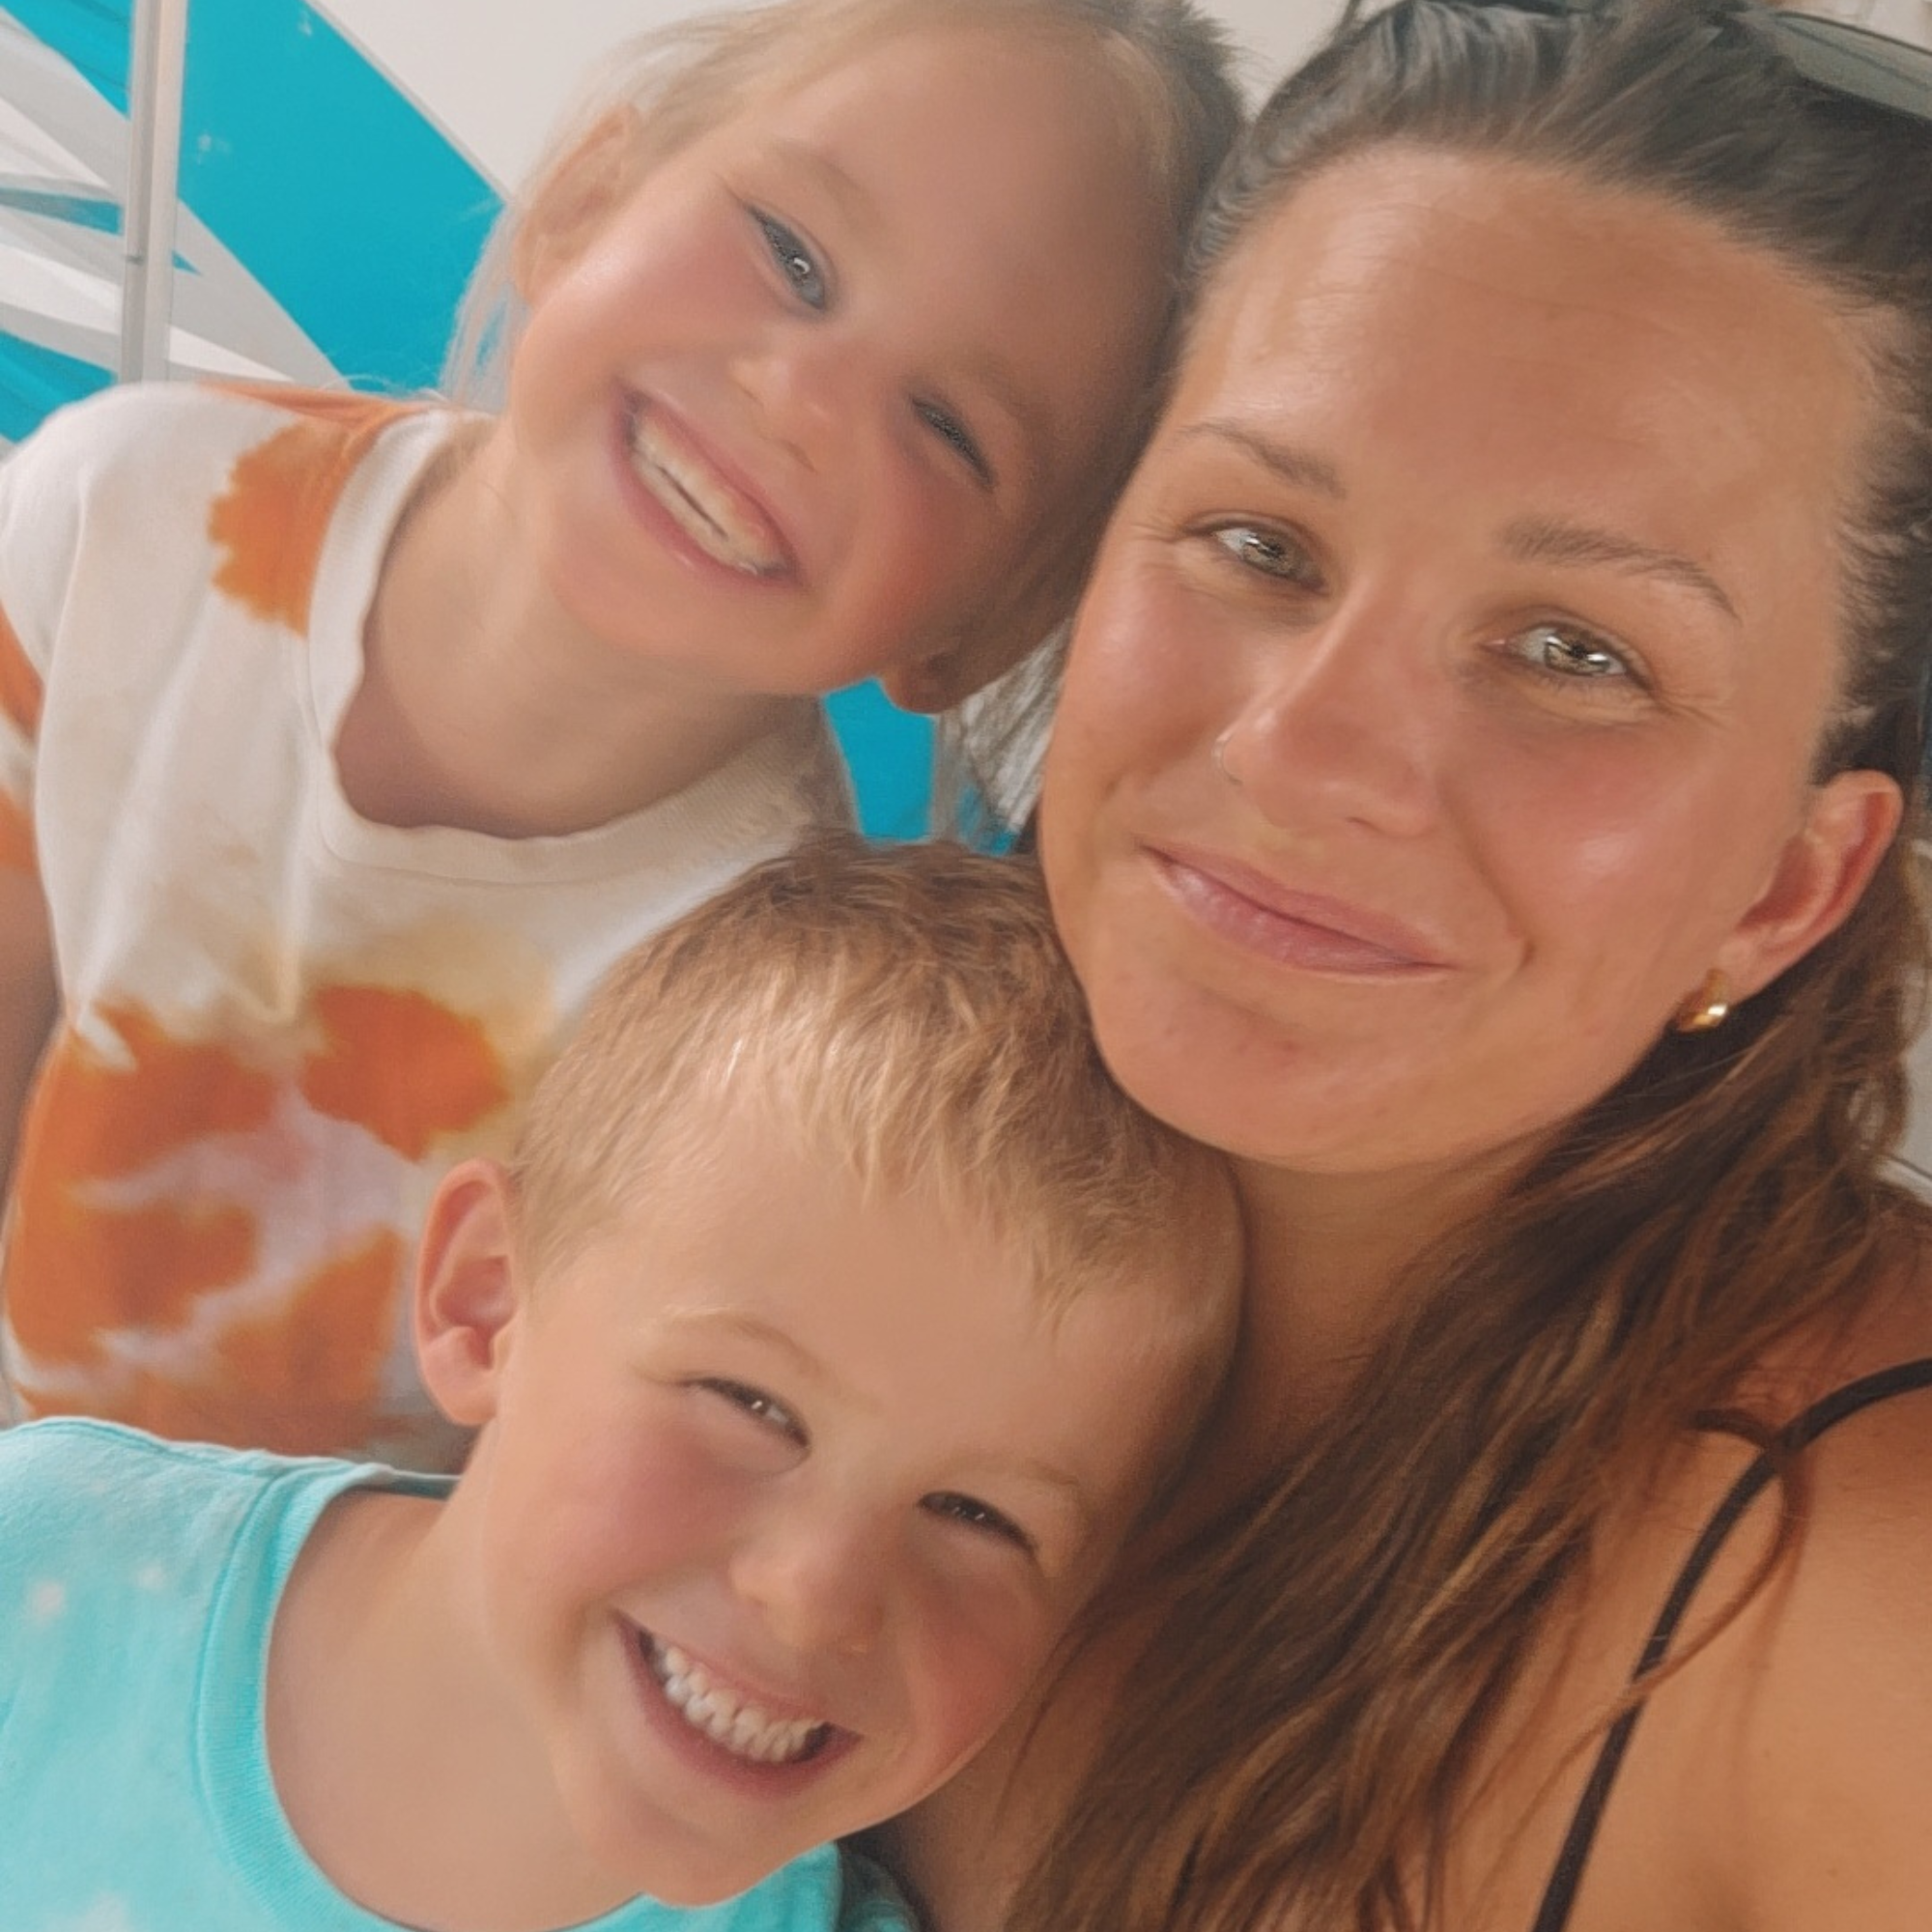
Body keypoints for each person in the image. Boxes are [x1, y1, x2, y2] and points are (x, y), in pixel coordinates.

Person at [883, 4, 1932, 1929]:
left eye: (1573, 652)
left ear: (1791, 883)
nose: (1303, 748)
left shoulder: (1867, 1589)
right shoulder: (781, 1129)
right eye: (1257, 540)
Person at [0, 0, 1241, 1467]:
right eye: (791, 252)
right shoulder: (119, 516)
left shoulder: (768, 1021)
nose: (802, 402)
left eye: (949, 424)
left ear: (977, 630)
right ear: (588, 201)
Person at [0, 836, 1239, 1930]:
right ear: (484, 1300)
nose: (818, 1595)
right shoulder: (40, 1560)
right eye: (750, 1404)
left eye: (978, 1515)